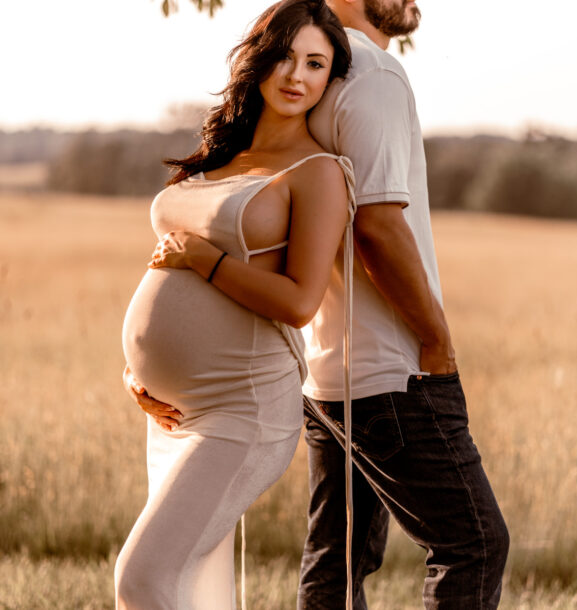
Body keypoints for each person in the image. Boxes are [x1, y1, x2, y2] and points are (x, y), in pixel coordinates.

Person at [114, 1, 353, 608]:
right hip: (173, 409)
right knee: (184, 581)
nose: (296, 75)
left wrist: (206, 261)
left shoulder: (317, 172)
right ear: (259, 58)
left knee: (142, 577)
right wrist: (138, 367)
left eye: (316, 63)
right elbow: (167, 260)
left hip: (244, 408)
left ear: (330, 78)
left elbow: (300, 302)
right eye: (285, 56)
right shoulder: (219, 154)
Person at [295, 1, 510, 609]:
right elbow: (379, 228)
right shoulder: (373, 73)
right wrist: (436, 342)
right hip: (394, 373)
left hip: (327, 370)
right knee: (474, 543)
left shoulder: (309, 73)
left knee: (336, 560)